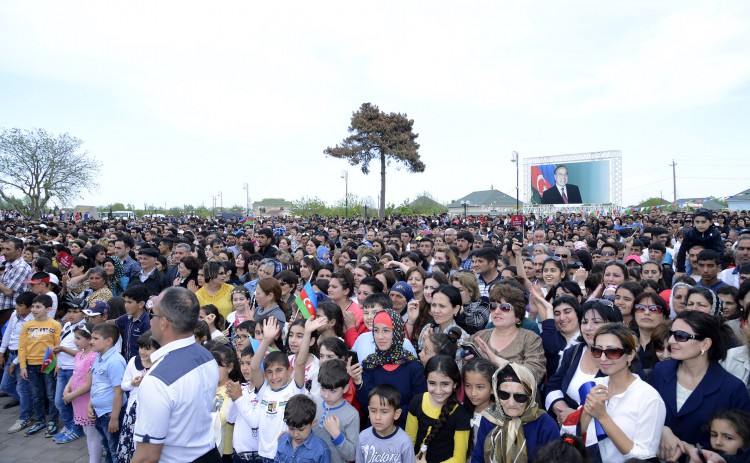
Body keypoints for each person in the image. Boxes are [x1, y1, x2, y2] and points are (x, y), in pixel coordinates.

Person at [132, 287, 221, 463]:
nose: (150, 321)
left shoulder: (156, 381)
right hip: (209, 454)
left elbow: (147, 457)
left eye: (153, 314)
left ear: (164, 323)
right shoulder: (207, 356)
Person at [651, 310, 750, 461]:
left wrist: (694, 451)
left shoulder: (732, 389)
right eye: (671, 334)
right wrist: (662, 430)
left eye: (681, 336)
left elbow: (743, 447)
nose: (671, 340)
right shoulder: (660, 371)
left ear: (705, 344)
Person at [578, 323, 666, 462]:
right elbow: (572, 434)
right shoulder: (595, 386)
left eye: (612, 351)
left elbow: (643, 456)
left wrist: (602, 417)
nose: (603, 358)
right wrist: (587, 411)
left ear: (630, 355)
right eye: (597, 350)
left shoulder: (649, 397)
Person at [545, 299, 623, 423]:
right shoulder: (573, 352)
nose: (589, 328)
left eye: (597, 322)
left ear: (614, 324)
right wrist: (562, 410)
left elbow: (624, 404)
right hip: (569, 433)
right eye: (584, 322)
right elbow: (553, 386)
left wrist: (578, 415)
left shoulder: (622, 357)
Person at [349, 309, 427, 429]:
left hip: (405, 431)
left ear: (397, 332)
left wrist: (390, 415)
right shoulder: (370, 364)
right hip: (375, 432)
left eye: (386, 330)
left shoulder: (413, 367)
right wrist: (358, 381)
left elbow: (418, 405)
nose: (380, 336)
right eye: (376, 330)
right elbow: (366, 405)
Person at [471, 363, 559, 463]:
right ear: (496, 393)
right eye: (504, 395)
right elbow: (478, 458)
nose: (511, 403)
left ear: (530, 397)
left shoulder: (545, 424)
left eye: (520, 397)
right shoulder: (490, 418)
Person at [249, 317, 306, 461]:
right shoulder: (264, 389)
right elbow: (255, 366)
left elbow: (300, 363)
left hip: (286, 455)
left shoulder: (294, 389)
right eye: (269, 371)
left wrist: (309, 333)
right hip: (263, 455)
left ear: (289, 370)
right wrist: (266, 340)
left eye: (279, 370)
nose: (274, 376)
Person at [470, 284, 547, 384]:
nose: (497, 311)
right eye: (493, 306)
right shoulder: (478, 337)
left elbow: (533, 375)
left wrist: (494, 359)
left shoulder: (531, 339)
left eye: (505, 307)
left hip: (516, 397)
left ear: (518, 315)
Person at [406, 354, 471, 463]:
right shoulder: (417, 402)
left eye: (445, 384)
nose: (438, 390)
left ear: (455, 384)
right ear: (426, 381)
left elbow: (459, 459)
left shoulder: (461, 415)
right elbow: (409, 442)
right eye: (432, 383)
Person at [18, 294, 62, 437]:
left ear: (48, 309)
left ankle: (53, 421)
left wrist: (57, 365)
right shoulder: (27, 325)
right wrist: (23, 366)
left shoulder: (54, 325)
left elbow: (58, 346)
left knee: (50, 394)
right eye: (33, 306)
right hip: (31, 364)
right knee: (36, 395)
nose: (34, 309)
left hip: (48, 364)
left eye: (38, 307)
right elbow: (22, 347)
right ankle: (39, 420)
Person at [117, 330, 159, 463]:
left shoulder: (160, 364)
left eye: (148, 349)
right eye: (141, 347)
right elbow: (123, 385)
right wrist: (133, 383)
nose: (142, 352)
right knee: (129, 447)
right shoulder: (133, 361)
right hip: (132, 412)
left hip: (150, 413)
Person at [87, 323, 126, 463]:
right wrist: (90, 405)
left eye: (95, 338)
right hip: (100, 412)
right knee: (107, 447)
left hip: (110, 414)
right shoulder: (99, 356)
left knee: (115, 450)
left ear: (108, 341)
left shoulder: (115, 362)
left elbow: (119, 392)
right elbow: (97, 384)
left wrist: (114, 418)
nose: (91, 342)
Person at [51, 297, 89, 443]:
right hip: (63, 369)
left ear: (84, 313)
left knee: (74, 402)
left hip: (76, 371)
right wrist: (57, 364)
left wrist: (63, 349)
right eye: (69, 311)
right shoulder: (67, 325)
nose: (71, 314)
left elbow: (85, 354)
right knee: (60, 401)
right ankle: (70, 426)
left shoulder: (85, 329)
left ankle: (77, 430)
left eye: (75, 311)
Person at [63, 323, 102, 462]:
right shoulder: (79, 354)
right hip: (77, 398)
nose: (75, 341)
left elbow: (89, 384)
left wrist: (71, 395)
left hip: (85, 398)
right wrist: (67, 387)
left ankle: (95, 459)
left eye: (78, 338)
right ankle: (92, 456)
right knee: (86, 431)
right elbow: (75, 373)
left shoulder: (92, 357)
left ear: (89, 339)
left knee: (92, 434)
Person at [1, 291, 35, 434]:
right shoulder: (14, 315)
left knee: (22, 388)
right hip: (12, 354)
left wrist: (16, 362)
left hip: (22, 358)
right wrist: (2, 352)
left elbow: (28, 345)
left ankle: (25, 417)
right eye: (16, 304)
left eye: (20, 305)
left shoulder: (32, 320)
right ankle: (31, 404)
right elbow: (8, 333)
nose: (16, 308)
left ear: (29, 308)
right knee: (6, 385)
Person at [355, 384, 416, 463]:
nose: (377, 417)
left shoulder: (404, 442)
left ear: (396, 414)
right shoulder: (363, 437)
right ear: (368, 410)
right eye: (373, 411)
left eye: (384, 412)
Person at [225, 345, 261, 463]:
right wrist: (233, 397)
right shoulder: (243, 388)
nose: (244, 368)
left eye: (249, 363)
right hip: (238, 456)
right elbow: (230, 419)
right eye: (242, 363)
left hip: (256, 458)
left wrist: (238, 398)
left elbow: (254, 423)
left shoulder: (264, 391)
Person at [275, 394, 330, 463]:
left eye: (301, 429)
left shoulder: (321, 449)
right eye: (291, 429)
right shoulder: (282, 440)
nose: (295, 434)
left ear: (313, 423)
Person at [674, 208, 724, 277]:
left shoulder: (715, 233)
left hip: (710, 260)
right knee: (677, 277)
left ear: (710, 222)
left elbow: (719, 252)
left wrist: (718, 267)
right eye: (697, 222)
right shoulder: (690, 233)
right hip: (692, 260)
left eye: (703, 222)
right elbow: (682, 250)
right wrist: (680, 269)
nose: (700, 225)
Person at [0, 238, 33, 328]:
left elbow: (9, 292)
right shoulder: (7, 264)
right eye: (3, 249)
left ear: (18, 251)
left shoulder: (21, 267)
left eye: (8, 249)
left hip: (10, 312)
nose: (3, 252)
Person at [114, 285, 151, 363]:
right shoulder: (126, 318)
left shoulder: (147, 323)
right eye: (125, 302)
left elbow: (148, 348)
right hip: (127, 363)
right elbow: (114, 323)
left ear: (141, 304)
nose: (126, 305)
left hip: (140, 365)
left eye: (129, 302)